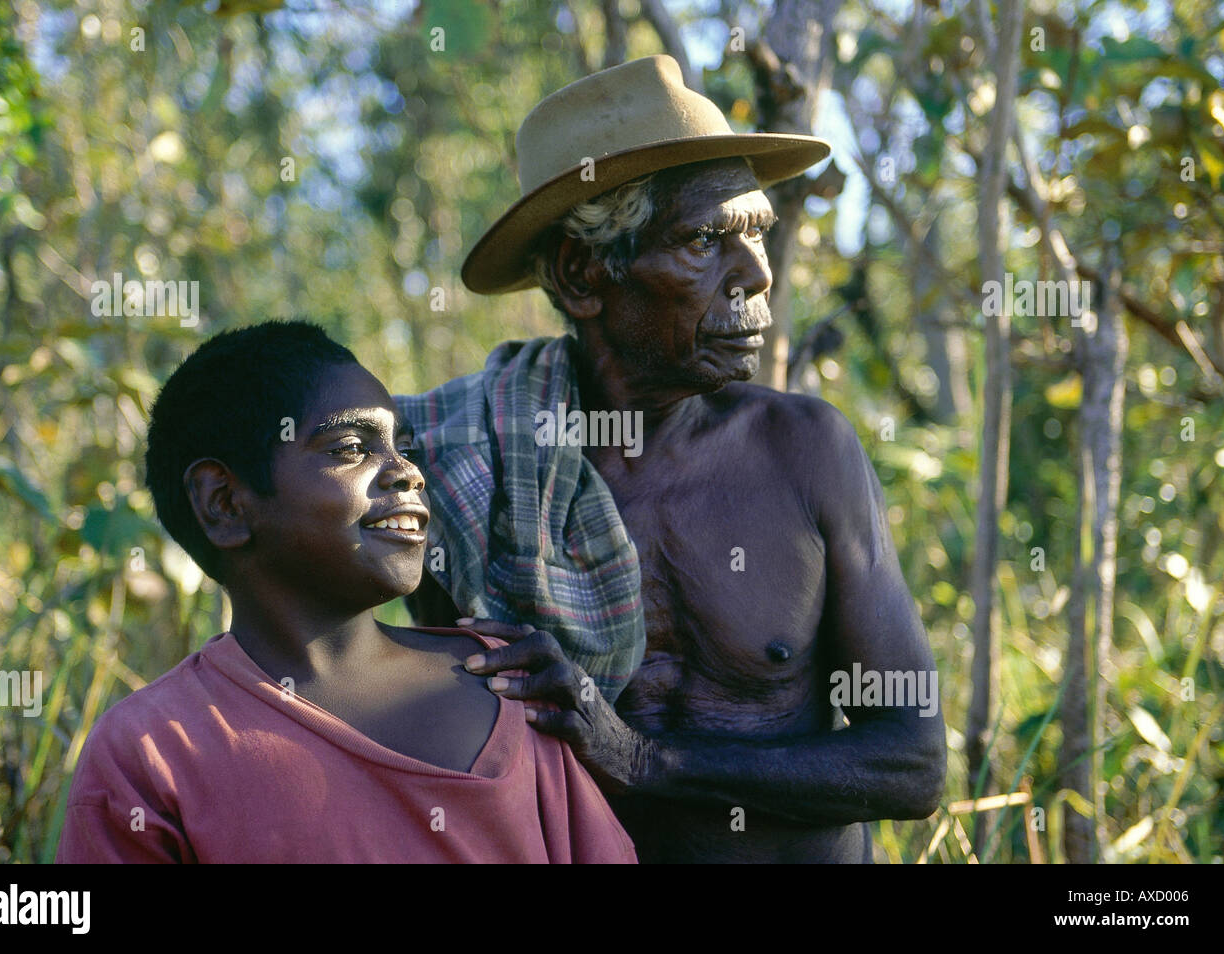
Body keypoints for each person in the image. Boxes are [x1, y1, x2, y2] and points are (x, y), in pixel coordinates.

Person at [400, 55, 946, 862]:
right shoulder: (461, 464)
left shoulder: (805, 452)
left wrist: (643, 759)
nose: (756, 275)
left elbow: (911, 763)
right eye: (702, 240)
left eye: (757, 231)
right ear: (582, 274)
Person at [55, 321, 635, 864]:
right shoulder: (152, 751)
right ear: (224, 504)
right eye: (350, 448)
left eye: (401, 446)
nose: (406, 471)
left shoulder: (506, 676)